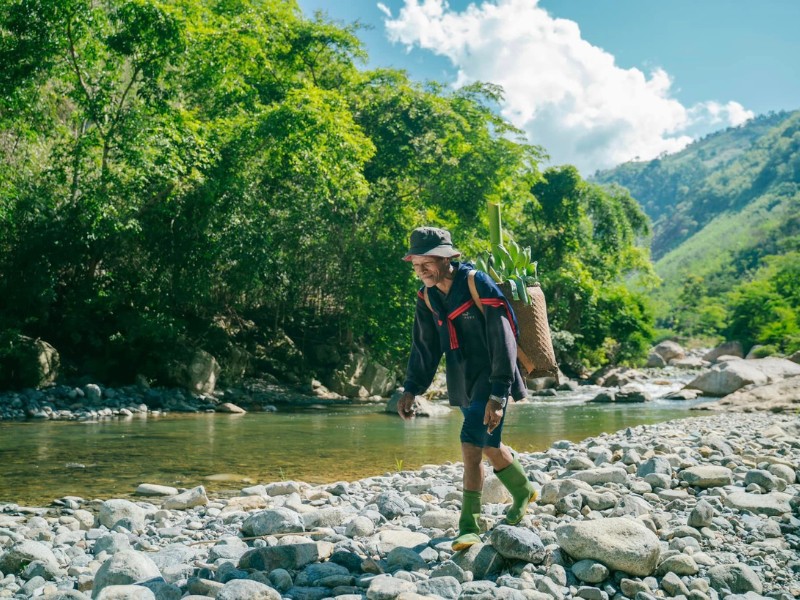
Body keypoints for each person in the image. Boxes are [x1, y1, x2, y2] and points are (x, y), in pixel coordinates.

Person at [397, 226, 536, 551]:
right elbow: (425, 347)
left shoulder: (475, 283)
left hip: (492, 377)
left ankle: (468, 526)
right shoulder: (427, 297)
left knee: (471, 445)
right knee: (488, 445)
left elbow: (503, 338)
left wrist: (498, 394)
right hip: (462, 380)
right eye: (416, 265)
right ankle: (524, 490)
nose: (420, 271)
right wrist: (411, 388)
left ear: (446, 259)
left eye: (426, 263)